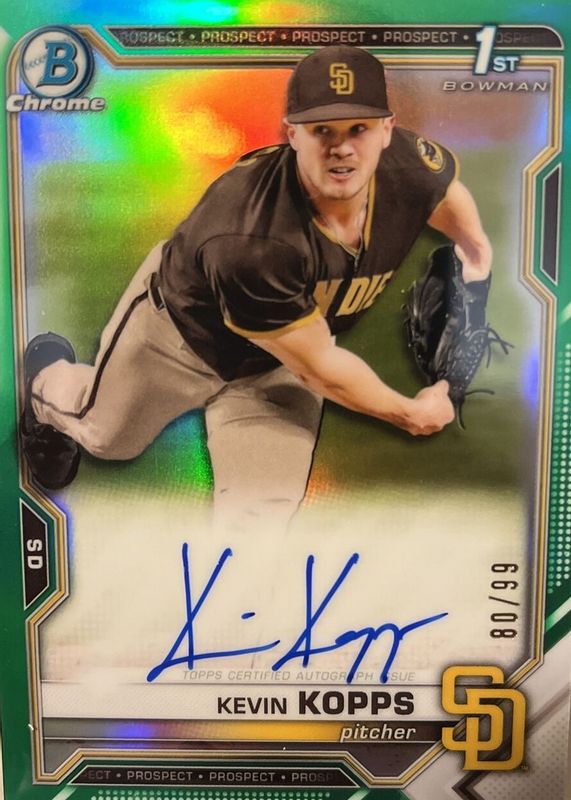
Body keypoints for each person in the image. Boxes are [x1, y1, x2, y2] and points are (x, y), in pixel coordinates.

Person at [20, 45, 492, 533]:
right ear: (293, 134)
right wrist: (409, 413)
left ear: (387, 130)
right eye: (322, 130)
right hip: (177, 337)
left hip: (275, 367)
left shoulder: (409, 166)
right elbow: (319, 368)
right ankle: (45, 384)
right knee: (106, 436)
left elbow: (447, 202)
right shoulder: (251, 237)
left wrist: (477, 260)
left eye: (359, 128)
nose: (342, 148)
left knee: (260, 516)